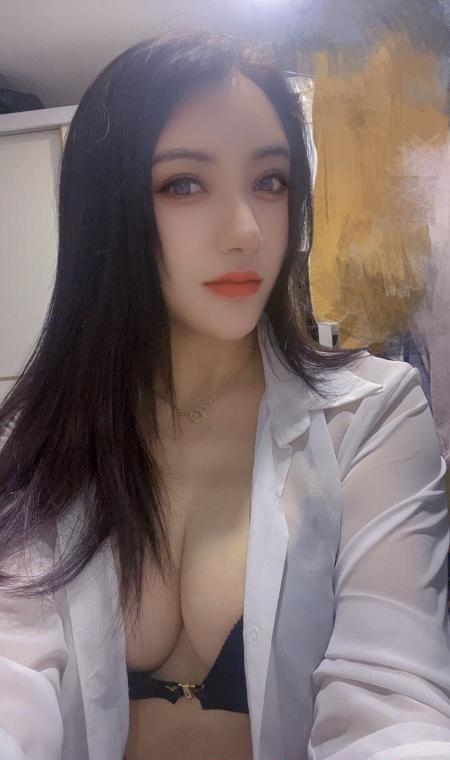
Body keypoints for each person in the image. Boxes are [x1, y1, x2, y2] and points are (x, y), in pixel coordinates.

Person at [0, 27, 449, 760]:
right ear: (108, 210)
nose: (246, 231)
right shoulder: (41, 439)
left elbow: (391, 704)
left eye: (270, 182)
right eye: (184, 184)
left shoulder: (369, 415)